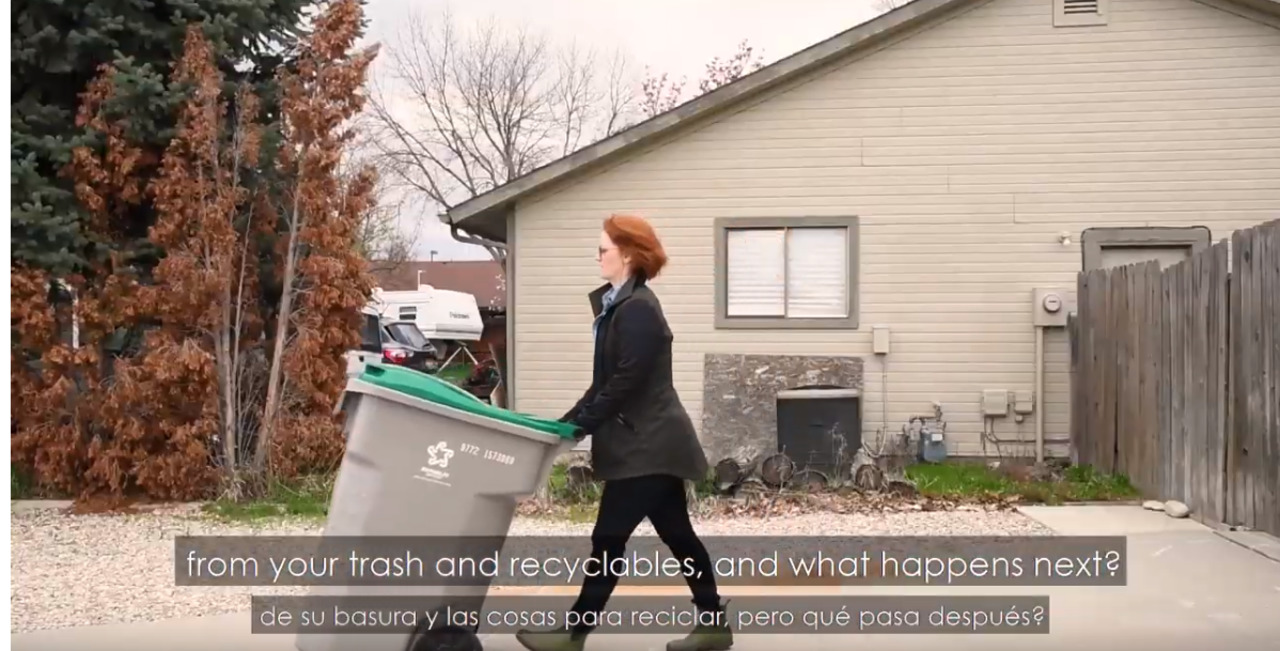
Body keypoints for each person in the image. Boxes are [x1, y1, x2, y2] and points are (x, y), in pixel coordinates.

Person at [515, 215, 732, 651]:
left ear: (628, 255)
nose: (597, 257)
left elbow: (624, 383)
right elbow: (603, 384)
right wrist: (562, 427)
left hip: (647, 445)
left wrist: (579, 426)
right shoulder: (620, 307)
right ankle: (713, 626)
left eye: (603, 250)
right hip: (647, 442)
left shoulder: (638, 310)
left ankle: (573, 635)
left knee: (608, 539)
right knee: (678, 536)